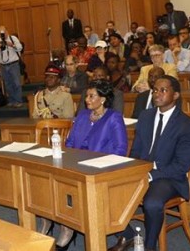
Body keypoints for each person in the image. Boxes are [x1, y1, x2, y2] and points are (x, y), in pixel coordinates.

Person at [108, 76, 190, 251]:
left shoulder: (186, 124)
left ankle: (149, 246)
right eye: (155, 90)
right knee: (106, 190)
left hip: (169, 177)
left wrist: (152, 174)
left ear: (176, 95)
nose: (157, 94)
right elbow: (136, 152)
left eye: (163, 90)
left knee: (152, 203)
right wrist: (131, 171)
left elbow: (182, 165)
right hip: (143, 171)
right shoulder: (145, 116)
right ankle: (128, 237)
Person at [43, 79, 128, 250]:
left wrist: (99, 164)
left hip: (101, 170)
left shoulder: (114, 118)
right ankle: (64, 224)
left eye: (91, 96)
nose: (87, 99)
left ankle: (68, 229)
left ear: (103, 99)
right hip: (76, 165)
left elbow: (120, 149)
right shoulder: (82, 115)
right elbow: (71, 142)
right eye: (86, 96)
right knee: (52, 181)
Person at [0, 26, 24, 108]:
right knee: (8, 84)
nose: (2, 34)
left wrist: (12, 45)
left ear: (7, 31)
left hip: (13, 64)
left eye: (3, 32)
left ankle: (18, 101)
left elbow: (20, 48)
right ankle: (11, 101)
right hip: (3, 66)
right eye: (0, 33)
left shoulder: (13, 38)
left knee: (16, 83)